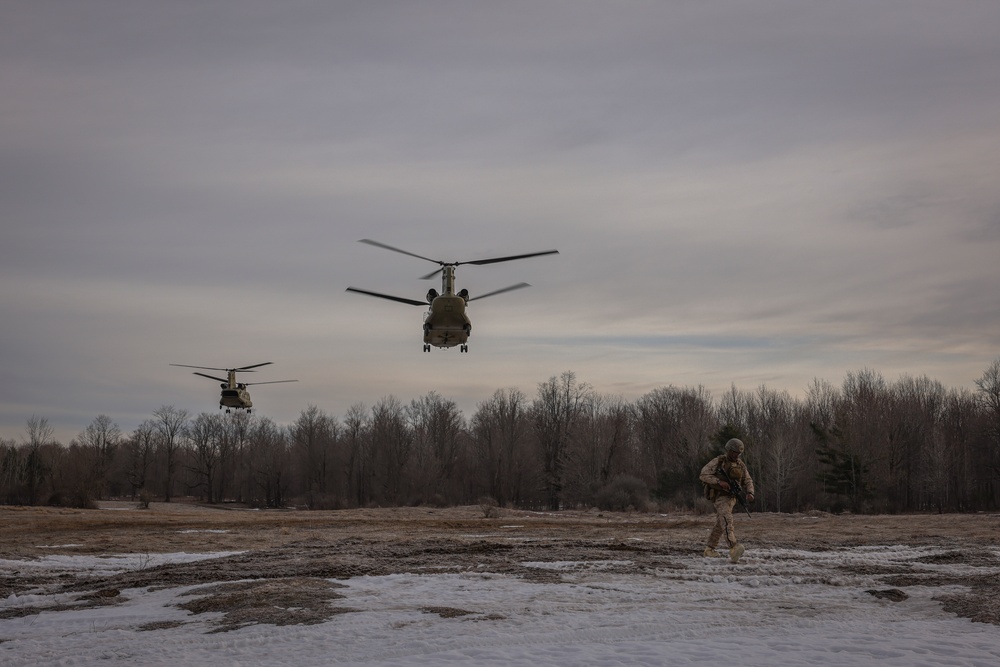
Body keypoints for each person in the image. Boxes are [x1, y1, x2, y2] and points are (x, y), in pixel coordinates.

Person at [699, 438, 755, 563]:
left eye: (738, 453)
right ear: (729, 450)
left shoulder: (740, 464)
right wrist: (719, 482)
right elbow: (703, 474)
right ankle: (733, 547)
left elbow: (748, 480)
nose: (736, 455)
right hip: (720, 496)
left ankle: (709, 549)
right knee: (727, 520)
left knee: (720, 523)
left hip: (732, 498)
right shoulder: (718, 462)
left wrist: (750, 492)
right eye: (734, 452)